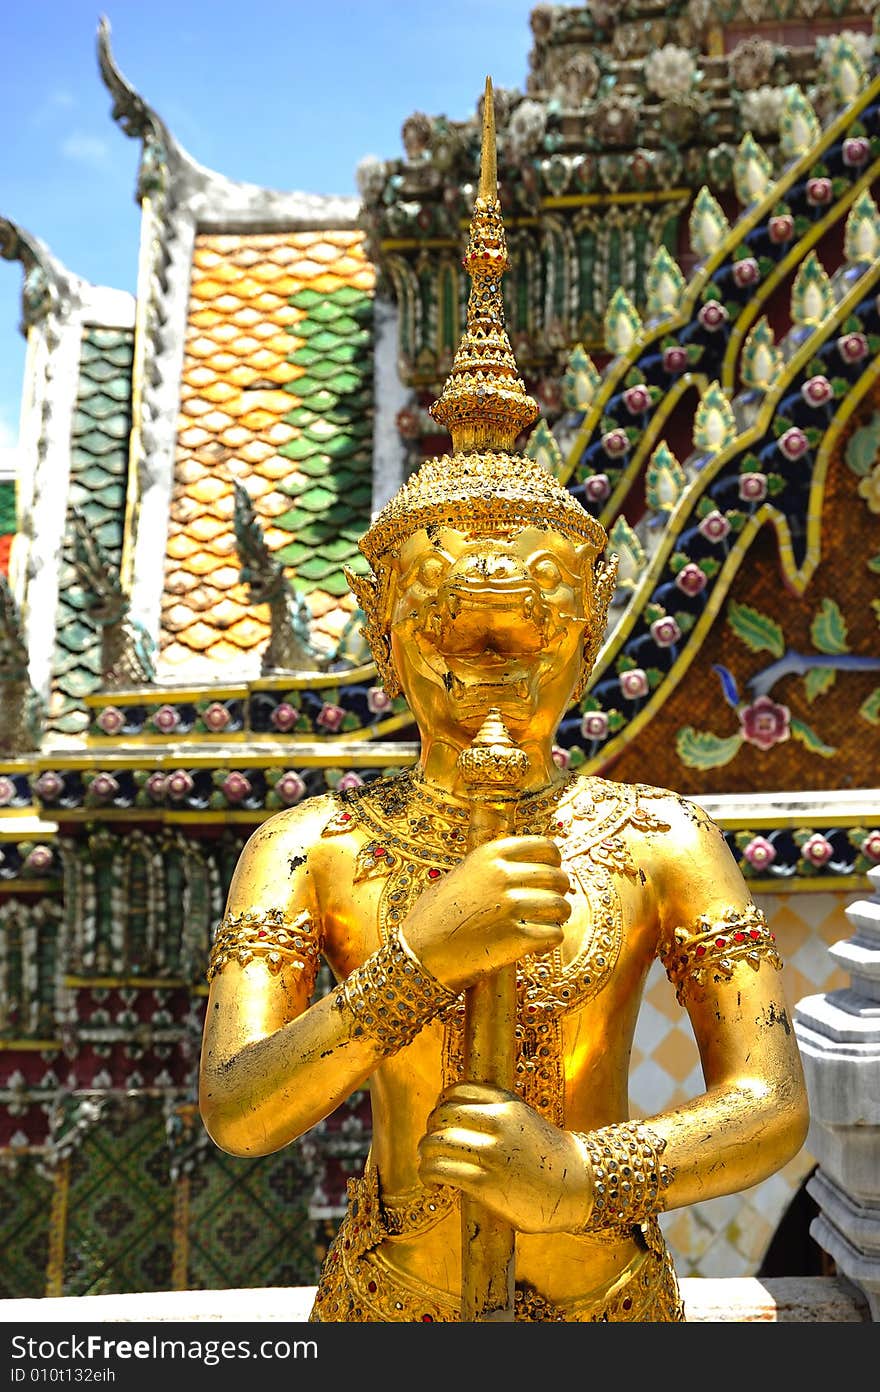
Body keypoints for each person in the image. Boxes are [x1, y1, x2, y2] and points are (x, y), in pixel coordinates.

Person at [198, 82, 809, 1324]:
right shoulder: (314, 849)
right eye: (453, 648)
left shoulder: (659, 842)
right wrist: (420, 955)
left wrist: (581, 1174)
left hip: (605, 1300)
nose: (490, 680)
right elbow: (241, 1109)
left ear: (583, 649)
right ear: (386, 646)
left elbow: (770, 1105)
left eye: (527, 649)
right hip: (391, 1305)